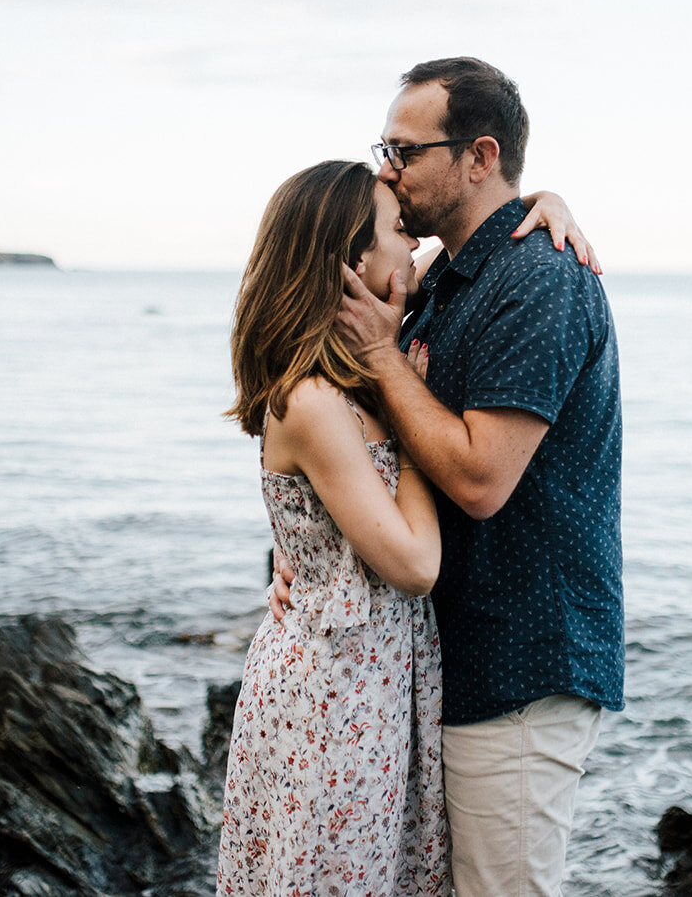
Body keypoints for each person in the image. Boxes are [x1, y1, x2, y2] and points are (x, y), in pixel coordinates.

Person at [218, 158, 592, 897]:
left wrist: (548, 201)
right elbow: (417, 565)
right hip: (337, 692)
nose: (412, 243)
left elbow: (478, 233)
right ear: (353, 266)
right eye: (396, 232)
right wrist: (406, 404)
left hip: (379, 681)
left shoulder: (366, 344)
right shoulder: (319, 401)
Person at [330, 57, 624, 897]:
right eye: (382, 147)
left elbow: (479, 481)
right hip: (449, 656)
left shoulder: (540, 279)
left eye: (403, 150)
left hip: (522, 663)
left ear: (479, 156)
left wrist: (385, 356)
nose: (387, 168)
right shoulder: (446, 283)